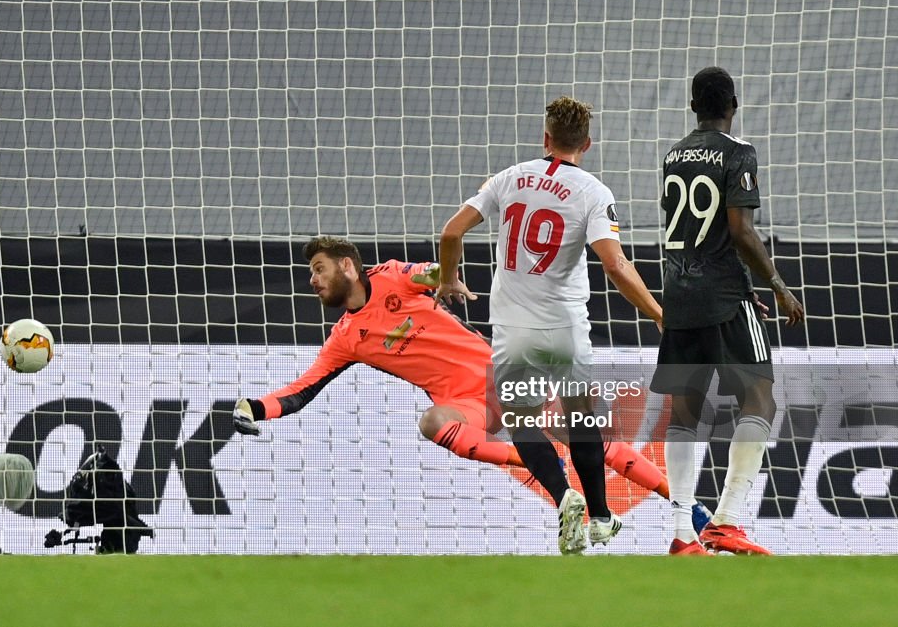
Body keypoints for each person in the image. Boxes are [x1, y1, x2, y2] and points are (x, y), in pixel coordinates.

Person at [232, 236, 674, 539]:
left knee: (602, 446)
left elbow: (427, 273)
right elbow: (302, 390)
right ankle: (559, 481)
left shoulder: (389, 277)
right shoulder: (345, 338)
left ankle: (687, 507)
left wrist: (444, 276)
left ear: (347, 265)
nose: (313, 279)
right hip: (464, 403)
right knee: (433, 422)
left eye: (319, 268)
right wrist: (255, 406)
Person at [437, 96, 664, 554]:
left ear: (546, 139)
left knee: (521, 422)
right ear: (588, 144)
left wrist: (448, 279)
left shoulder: (508, 179)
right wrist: (659, 313)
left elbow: (451, 233)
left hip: (513, 330)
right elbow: (615, 264)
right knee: (581, 419)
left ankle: (565, 498)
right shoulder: (594, 192)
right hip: (565, 327)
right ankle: (600, 517)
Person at [651, 66, 805, 556]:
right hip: (723, 297)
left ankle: (681, 531)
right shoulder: (738, 153)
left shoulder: (673, 156)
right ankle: (728, 520)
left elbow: (697, 232)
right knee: (760, 399)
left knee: (685, 412)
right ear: (732, 105)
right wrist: (776, 284)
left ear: (692, 105)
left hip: (678, 295)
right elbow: (739, 230)